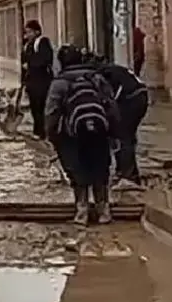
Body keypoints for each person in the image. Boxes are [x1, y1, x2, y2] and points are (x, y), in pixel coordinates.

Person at [44, 45, 120, 225]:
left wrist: (52, 136)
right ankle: (103, 210)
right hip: (99, 133)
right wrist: (114, 132)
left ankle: (82, 210)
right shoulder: (96, 78)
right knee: (101, 169)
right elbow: (111, 105)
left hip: (71, 136)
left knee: (76, 170)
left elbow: (51, 112)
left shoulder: (59, 83)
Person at [89, 52, 149, 190]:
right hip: (140, 97)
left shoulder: (104, 75)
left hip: (131, 100)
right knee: (125, 136)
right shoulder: (115, 70)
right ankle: (128, 171)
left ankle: (127, 176)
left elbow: (108, 100)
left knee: (122, 136)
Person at [20, 20, 55, 139]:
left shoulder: (42, 42)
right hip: (31, 83)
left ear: (37, 31)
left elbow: (46, 60)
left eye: (30, 32)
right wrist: (23, 83)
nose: (27, 35)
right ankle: (37, 131)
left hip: (42, 81)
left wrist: (30, 65)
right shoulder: (26, 46)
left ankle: (44, 133)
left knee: (42, 107)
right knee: (34, 108)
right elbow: (23, 65)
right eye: (26, 32)